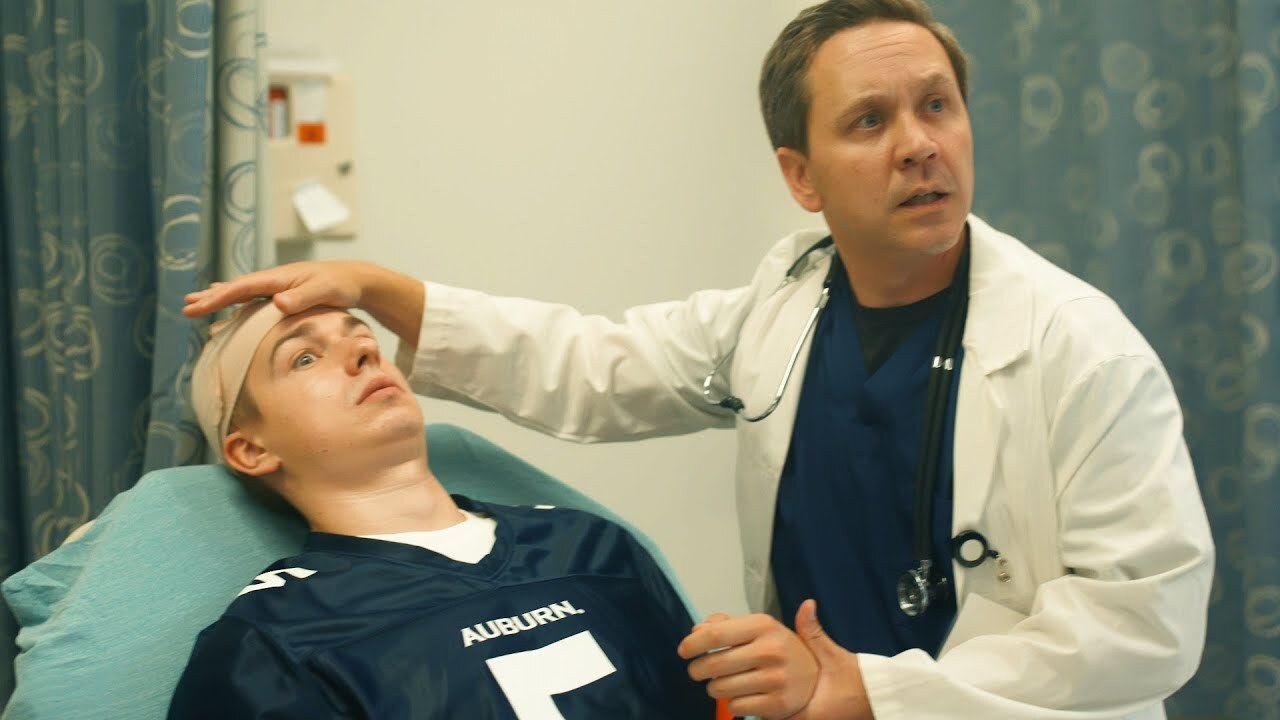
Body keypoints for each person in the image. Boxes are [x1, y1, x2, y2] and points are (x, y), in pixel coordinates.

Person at [183, 1, 1214, 718]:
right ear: (799, 176)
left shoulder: (1075, 350)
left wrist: (874, 694)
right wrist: (375, 290)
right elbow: (595, 364)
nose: (917, 143)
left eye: (935, 105)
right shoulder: (781, 305)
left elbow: (1142, 625)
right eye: (869, 120)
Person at [167, 300, 715, 719]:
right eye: (304, 357)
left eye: (363, 338)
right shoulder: (269, 644)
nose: (362, 353)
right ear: (252, 449)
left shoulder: (590, 544)